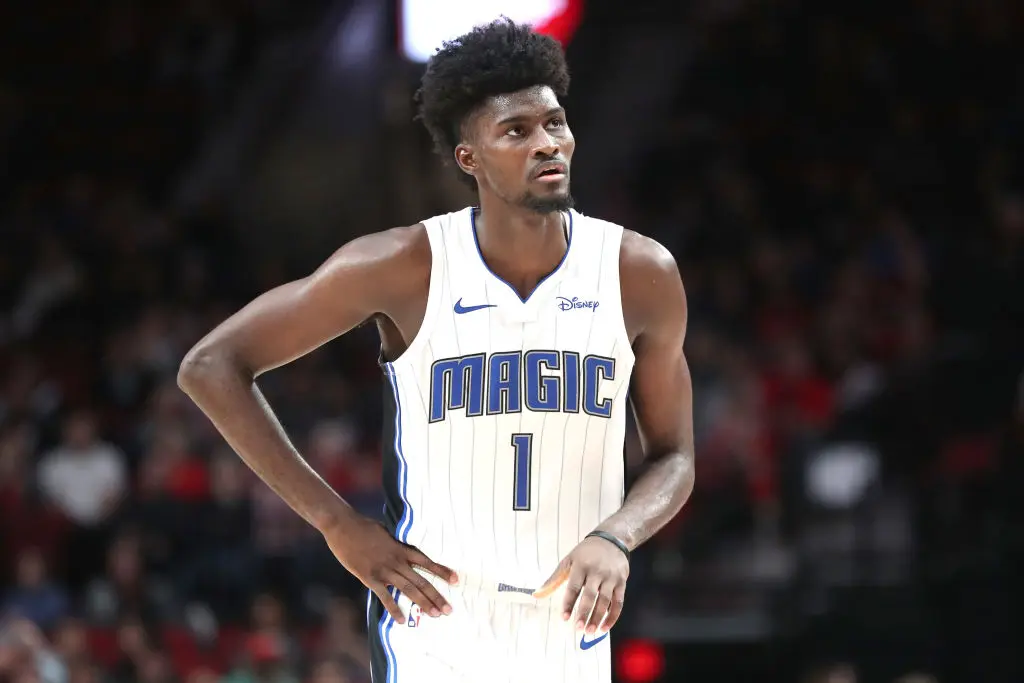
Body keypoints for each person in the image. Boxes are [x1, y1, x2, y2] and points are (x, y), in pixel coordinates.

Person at [178, 17, 695, 683]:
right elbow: (212, 365)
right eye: (517, 130)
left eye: (555, 123)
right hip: (435, 628)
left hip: (570, 632)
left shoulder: (638, 272)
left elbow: (675, 456)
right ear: (468, 158)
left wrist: (617, 535)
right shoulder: (402, 265)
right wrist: (336, 522)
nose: (548, 144)